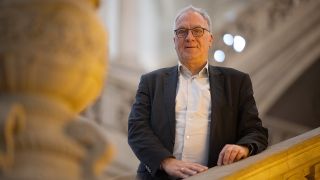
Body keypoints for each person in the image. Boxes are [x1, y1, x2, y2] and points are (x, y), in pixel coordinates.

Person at [128, 5, 268, 180]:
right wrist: (166, 161)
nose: (189, 37)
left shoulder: (236, 82)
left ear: (210, 39)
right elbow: (136, 129)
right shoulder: (151, 82)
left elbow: (256, 131)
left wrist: (244, 147)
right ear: (174, 41)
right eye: (182, 32)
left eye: (197, 30)